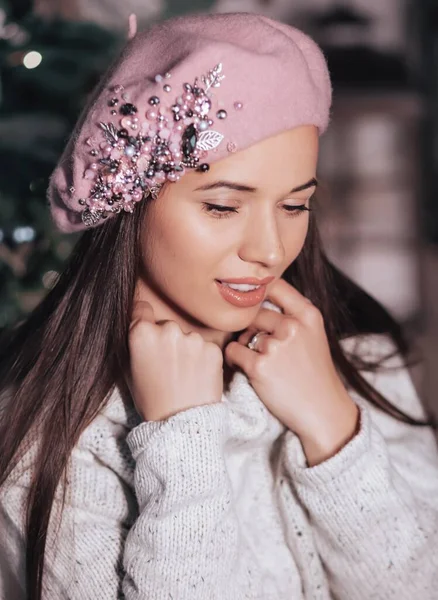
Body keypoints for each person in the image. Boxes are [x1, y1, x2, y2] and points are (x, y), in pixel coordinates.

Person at [1, 11, 438, 600]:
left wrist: (333, 426)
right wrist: (180, 442)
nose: (269, 249)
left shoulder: (355, 353)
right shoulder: (51, 428)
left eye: (294, 205)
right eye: (224, 207)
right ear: (133, 199)